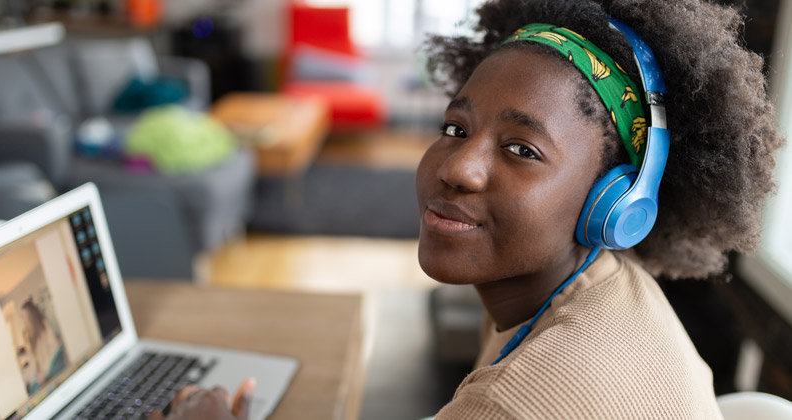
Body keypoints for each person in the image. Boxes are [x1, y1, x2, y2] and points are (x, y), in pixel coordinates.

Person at [151, 0, 782, 418]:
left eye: (521, 149)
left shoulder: (518, 402)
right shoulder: (605, 290)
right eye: (456, 129)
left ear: (616, 201)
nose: (457, 167)